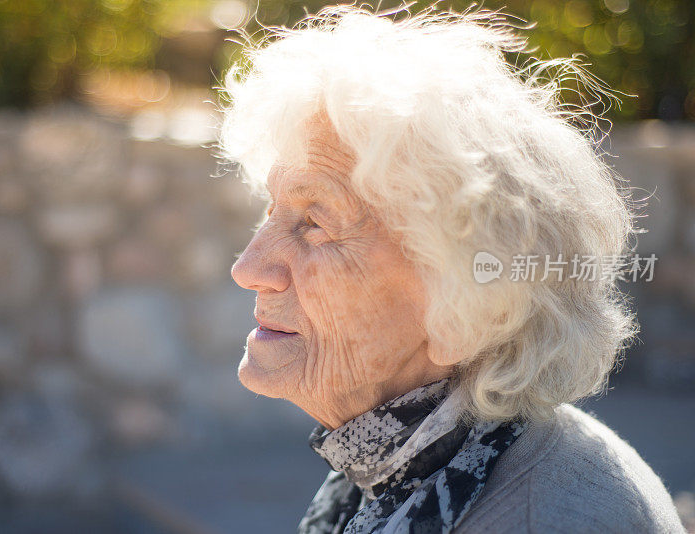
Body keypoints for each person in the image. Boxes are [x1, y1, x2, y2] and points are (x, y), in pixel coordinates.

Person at [217, 5, 685, 533]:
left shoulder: (543, 519)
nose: (250, 268)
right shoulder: (401, 463)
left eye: (315, 223)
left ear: (463, 309)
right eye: (271, 209)